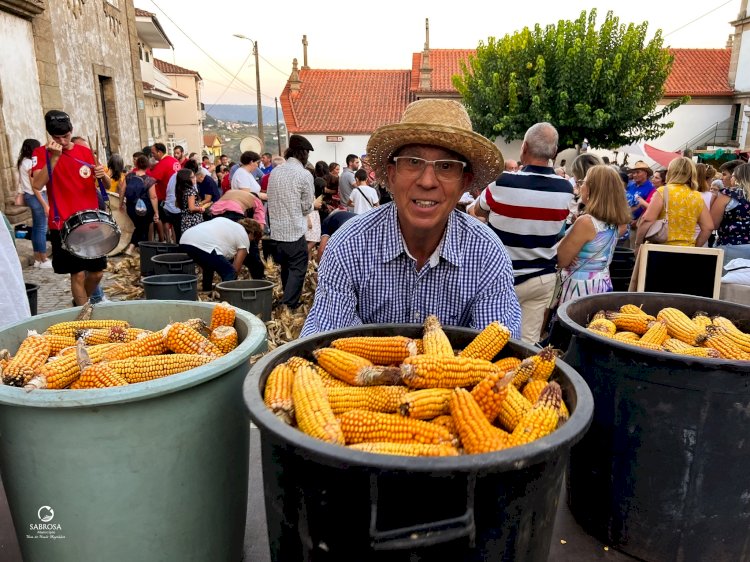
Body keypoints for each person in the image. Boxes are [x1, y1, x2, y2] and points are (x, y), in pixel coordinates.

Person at [301, 98, 521, 337]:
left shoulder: (487, 253)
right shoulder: (348, 246)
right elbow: (324, 344)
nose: (427, 181)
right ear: (392, 175)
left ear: (464, 184)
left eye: (446, 166)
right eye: (413, 162)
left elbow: (500, 359)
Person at [471, 122, 573, 344]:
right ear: (554, 152)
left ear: (524, 147)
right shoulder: (566, 189)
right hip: (541, 277)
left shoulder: (502, 181)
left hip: (501, 277)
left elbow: (476, 211)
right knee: (527, 346)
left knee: (489, 342)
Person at [31, 110, 111, 306]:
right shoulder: (40, 153)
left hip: (91, 222)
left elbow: (107, 186)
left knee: (97, 273)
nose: (63, 141)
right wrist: (54, 158)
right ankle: (83, 316)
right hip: (63, 223)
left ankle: (78, 305)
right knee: (77, 274)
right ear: (50, 135)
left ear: (71, 131)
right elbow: (37, 185)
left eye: (66, 136)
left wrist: (102, 175)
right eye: (57, 137)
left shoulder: (85, 152)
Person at [556, 165, 631, 305]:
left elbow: (561, 259)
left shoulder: (586, 222)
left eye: (583, 182)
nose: (581, 186)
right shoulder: (615, 221)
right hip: (602, 284)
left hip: (579, 288)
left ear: (592, 189)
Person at [267, 135, 316, 309]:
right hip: (294, 230)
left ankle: (286, 299)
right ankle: (289, 304)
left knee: (286, 268)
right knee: (298, 268)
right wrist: (311, 206)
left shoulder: (275, 171)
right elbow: (305, 207)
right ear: (303, 154)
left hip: (276, 231)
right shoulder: (304, 175)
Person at [635, 157, 712, 250]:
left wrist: (638, 244)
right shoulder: (697, 196)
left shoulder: (663, 191)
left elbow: (647, 220)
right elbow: (708, 227)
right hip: (687, 251)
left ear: (671, 172)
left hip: (661, 249)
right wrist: (696, 247)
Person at [180, 217, 261, 291]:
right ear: (251, 233)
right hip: (203, 244)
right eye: (253, 238)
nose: (251, 241)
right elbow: (236, 269)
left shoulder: (228, 223)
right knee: (230, 272)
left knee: (208, 265)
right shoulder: (244, 237)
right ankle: (227, 300)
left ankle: (207, 290)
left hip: (185, 239)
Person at [16, 138, 50, 268]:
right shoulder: (30, 163)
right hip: (36, 196)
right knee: (41, 228)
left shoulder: (22, 162)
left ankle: (37, 258)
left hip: (29, 196)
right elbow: (35, 186)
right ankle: (44, 259)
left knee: (37, 227)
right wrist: (45, 204)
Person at [710, 162, 750, 266]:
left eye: (732, 176)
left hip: (730, 246)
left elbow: (713, 224)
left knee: (724, 281)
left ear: (737, 178)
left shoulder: (727, 195)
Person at [119, 154, 158, 256]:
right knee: (142, 228)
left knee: (140, 227)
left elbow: (122, 191)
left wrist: (120, 204)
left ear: (136, 164)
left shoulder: (129, 176)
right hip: (145, 208)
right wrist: (156, 212)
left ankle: (140, 250)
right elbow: (153, 197)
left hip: (131, 206)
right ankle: (132, 248)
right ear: (147, 166)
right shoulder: (149, 180)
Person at [147, 143, 181, 241]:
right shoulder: (174, 160)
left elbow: (151, 180)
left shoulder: (162, 163)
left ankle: (167, 242)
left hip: (166, 197)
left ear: (160, 152)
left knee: (166, 221)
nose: (152, 155)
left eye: (153, 153)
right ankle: (176, 241)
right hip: (176, 195)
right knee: (175, 223)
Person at [625, 161, 655, 248]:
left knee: (633, 249)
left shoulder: (651, 188)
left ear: (645, 173)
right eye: (633, 173)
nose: (634, 175)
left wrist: (638, 220)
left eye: (638, 172)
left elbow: (650, 208)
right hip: (625, 222)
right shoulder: (631, 185)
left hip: (637, 225)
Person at [174, 168, 203, 236]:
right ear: (186, 179)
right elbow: (191, 208)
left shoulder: (182, 190)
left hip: (185, 219)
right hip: (193, 220)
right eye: (192, 177)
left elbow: (178, 205)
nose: (195, 178)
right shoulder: (191, 191)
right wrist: (200, 208)